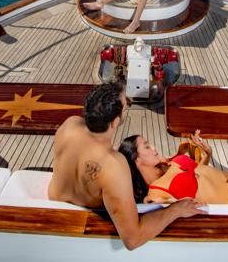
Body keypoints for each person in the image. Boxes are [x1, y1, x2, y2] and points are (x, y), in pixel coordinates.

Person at [48, 82, 205, 249]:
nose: (127, 105)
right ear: (115, 122)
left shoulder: (69, 125)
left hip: (54, 203)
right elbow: (132, 240)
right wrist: (176, 210)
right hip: (85, 225)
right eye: (126, 106)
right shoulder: (114, 166)